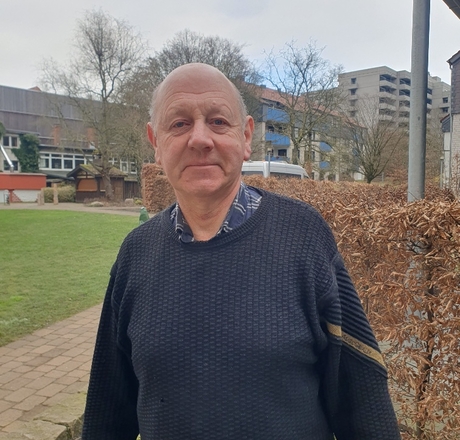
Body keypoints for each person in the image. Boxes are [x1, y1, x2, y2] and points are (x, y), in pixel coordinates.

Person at [82, 63, 401, 440]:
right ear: (156, 141)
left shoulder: (303, 236)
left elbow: (363, 398)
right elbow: (107, 411)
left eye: (218, 121)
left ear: (246, 136)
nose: (200, 139)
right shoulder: (136, 254)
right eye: (179, 124)